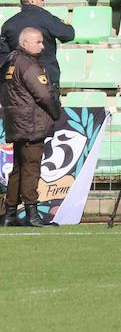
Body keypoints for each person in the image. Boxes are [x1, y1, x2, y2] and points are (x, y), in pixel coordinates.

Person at [0, 28, 62, 227]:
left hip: (16, 122)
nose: (42, 46)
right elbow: (44, 95)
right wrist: (55, 112)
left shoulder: (11, 61)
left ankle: (9, 214)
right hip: (31, 124)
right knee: (31, 168)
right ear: (25, 43)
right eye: (38, 42)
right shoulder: (29, 65)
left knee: (18, 168)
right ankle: (32, 215)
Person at [2, 0, 75, 86]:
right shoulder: (46, 18)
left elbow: (4, 55)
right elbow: (68, 34)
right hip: (45, 77)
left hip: (18, 79)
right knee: (47, 100)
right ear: (32, 0)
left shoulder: (8, 24)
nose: (43, 2)